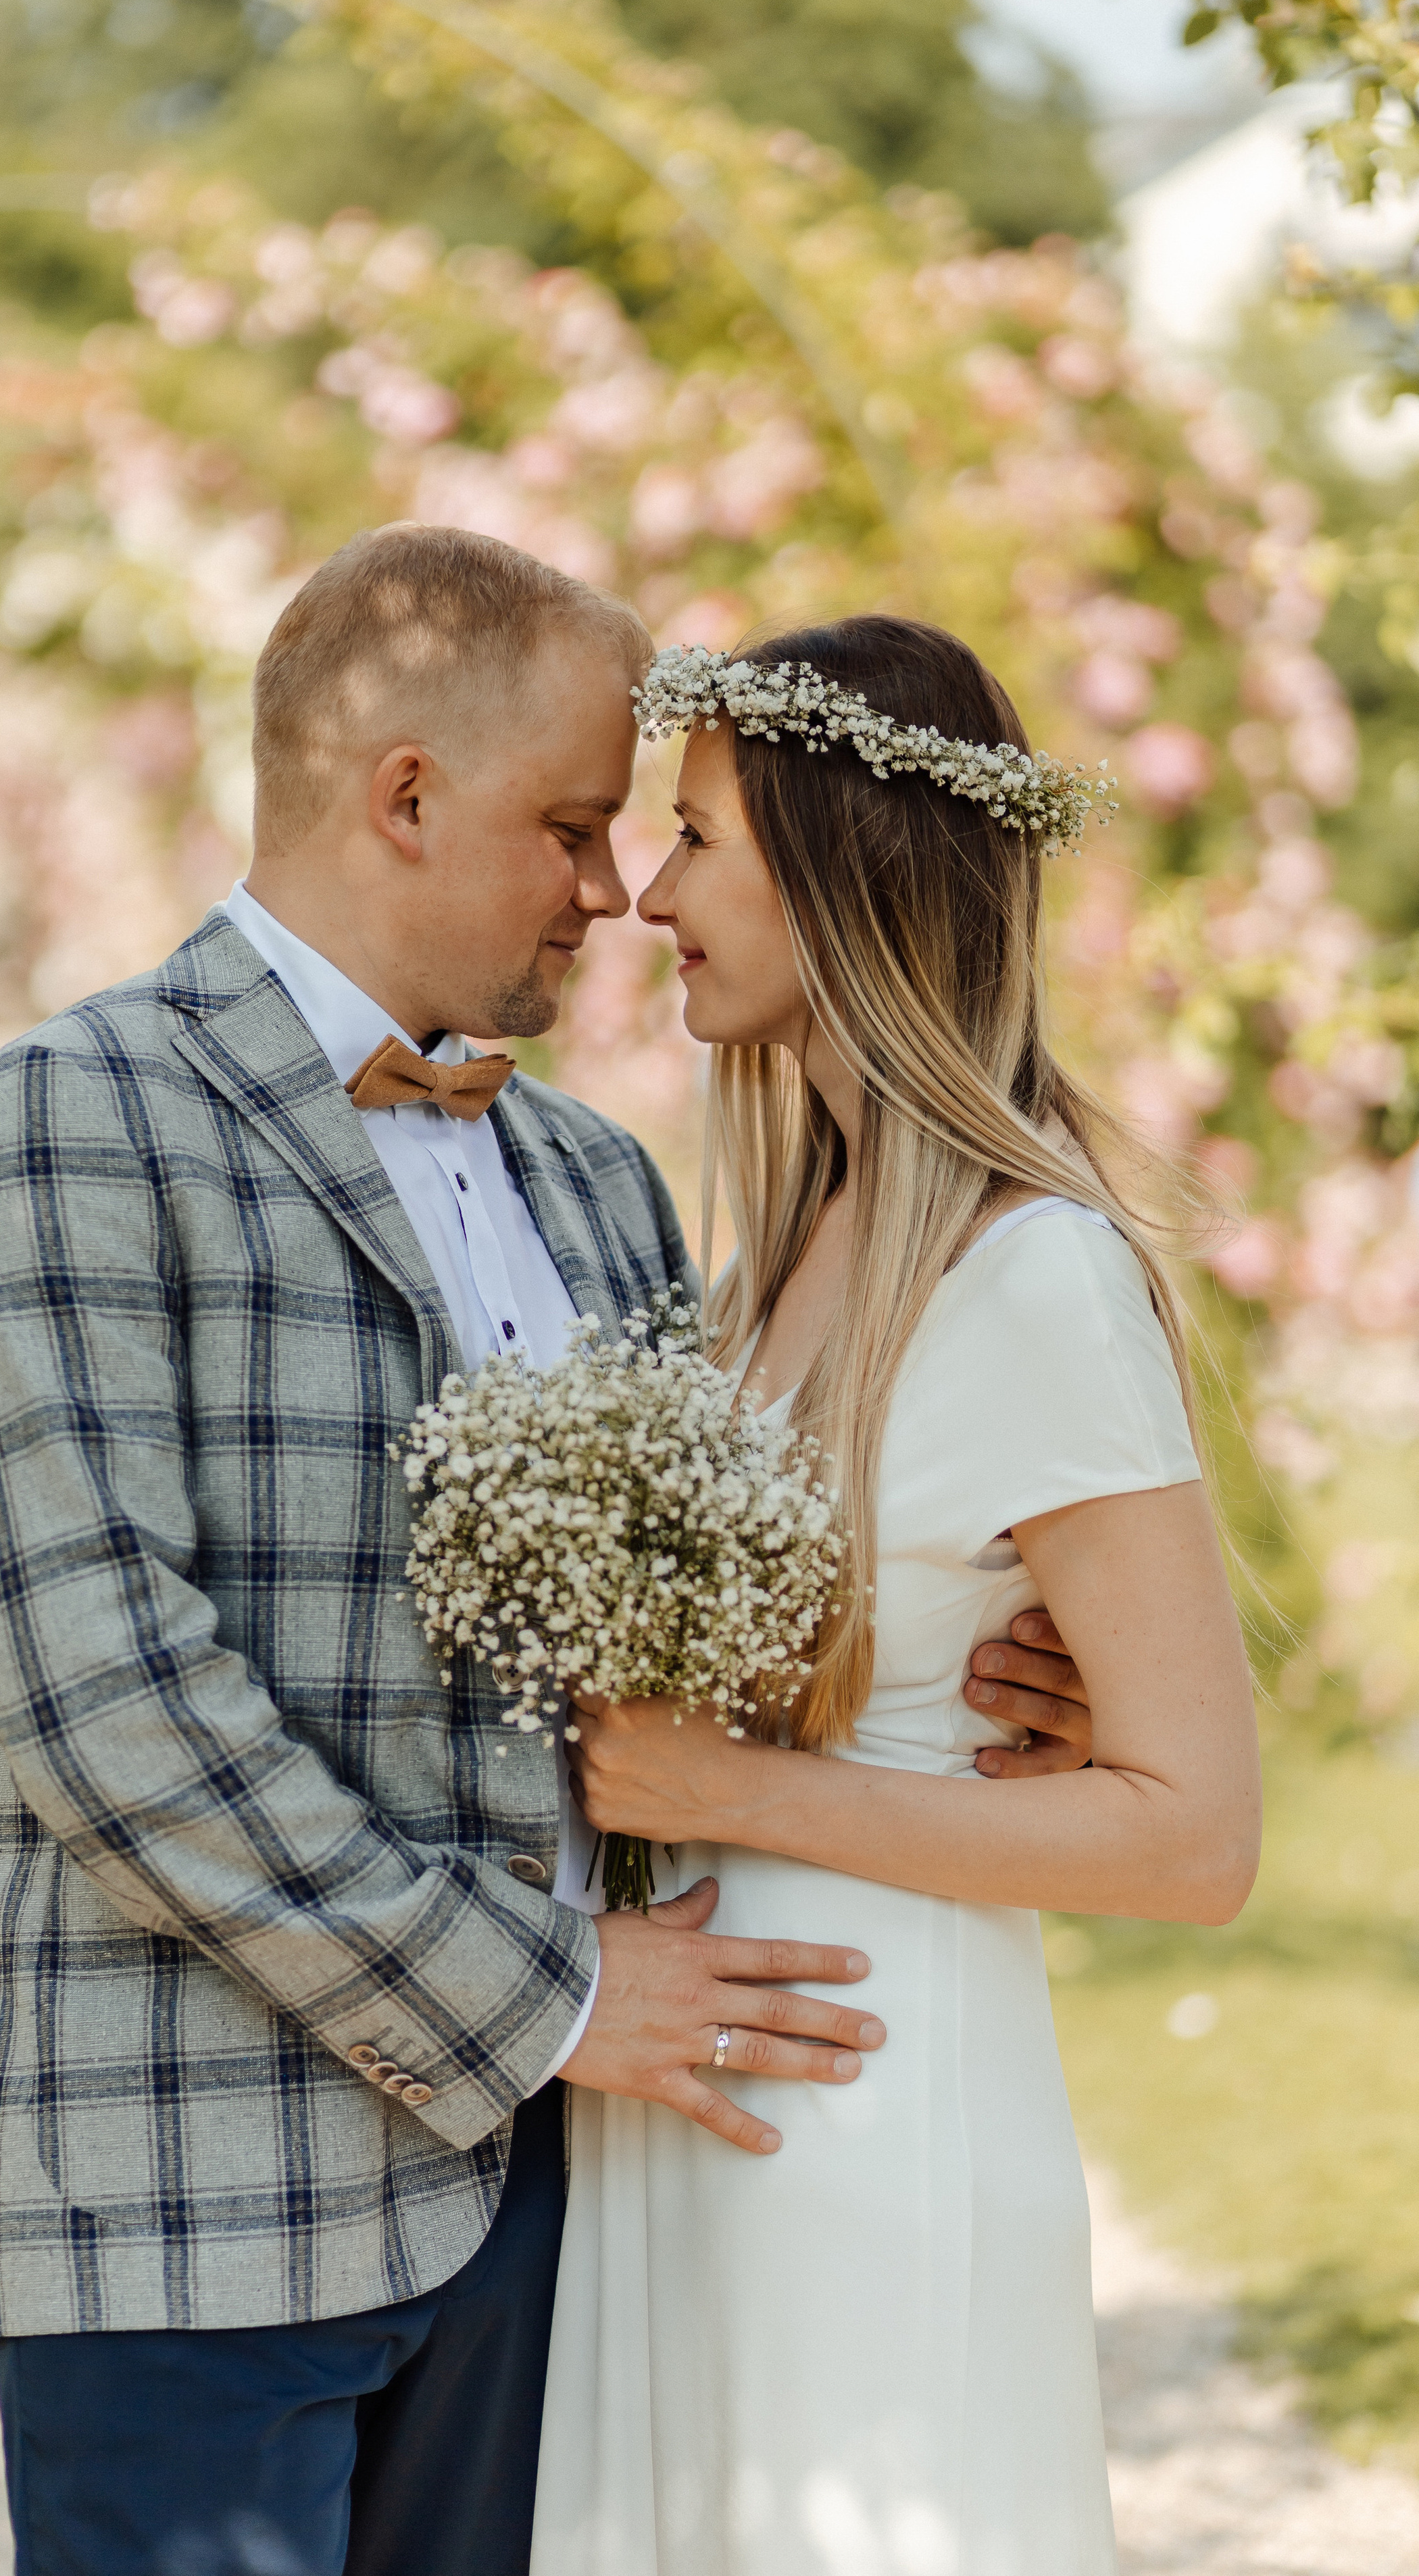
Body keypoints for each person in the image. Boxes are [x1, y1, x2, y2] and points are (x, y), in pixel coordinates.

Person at [0, 530, 1093, 2576]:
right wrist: (540, 2001)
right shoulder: (67, 1120)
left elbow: (686, 1632)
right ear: (403, 795)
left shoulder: (601, 1183)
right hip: (195, 2188)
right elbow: (110, 1705)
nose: (615, 890)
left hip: (555, 2211)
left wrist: (1003, 1663)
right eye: (573, 826)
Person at [533, 615, 1262, 2576]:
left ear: (847, 865)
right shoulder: (773, 1259)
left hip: (870, 2094)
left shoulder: (1034, 1274)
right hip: (690, 2088)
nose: (649, 893)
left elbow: (1199, 1836)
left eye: (698, 839)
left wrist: (736, 1797)